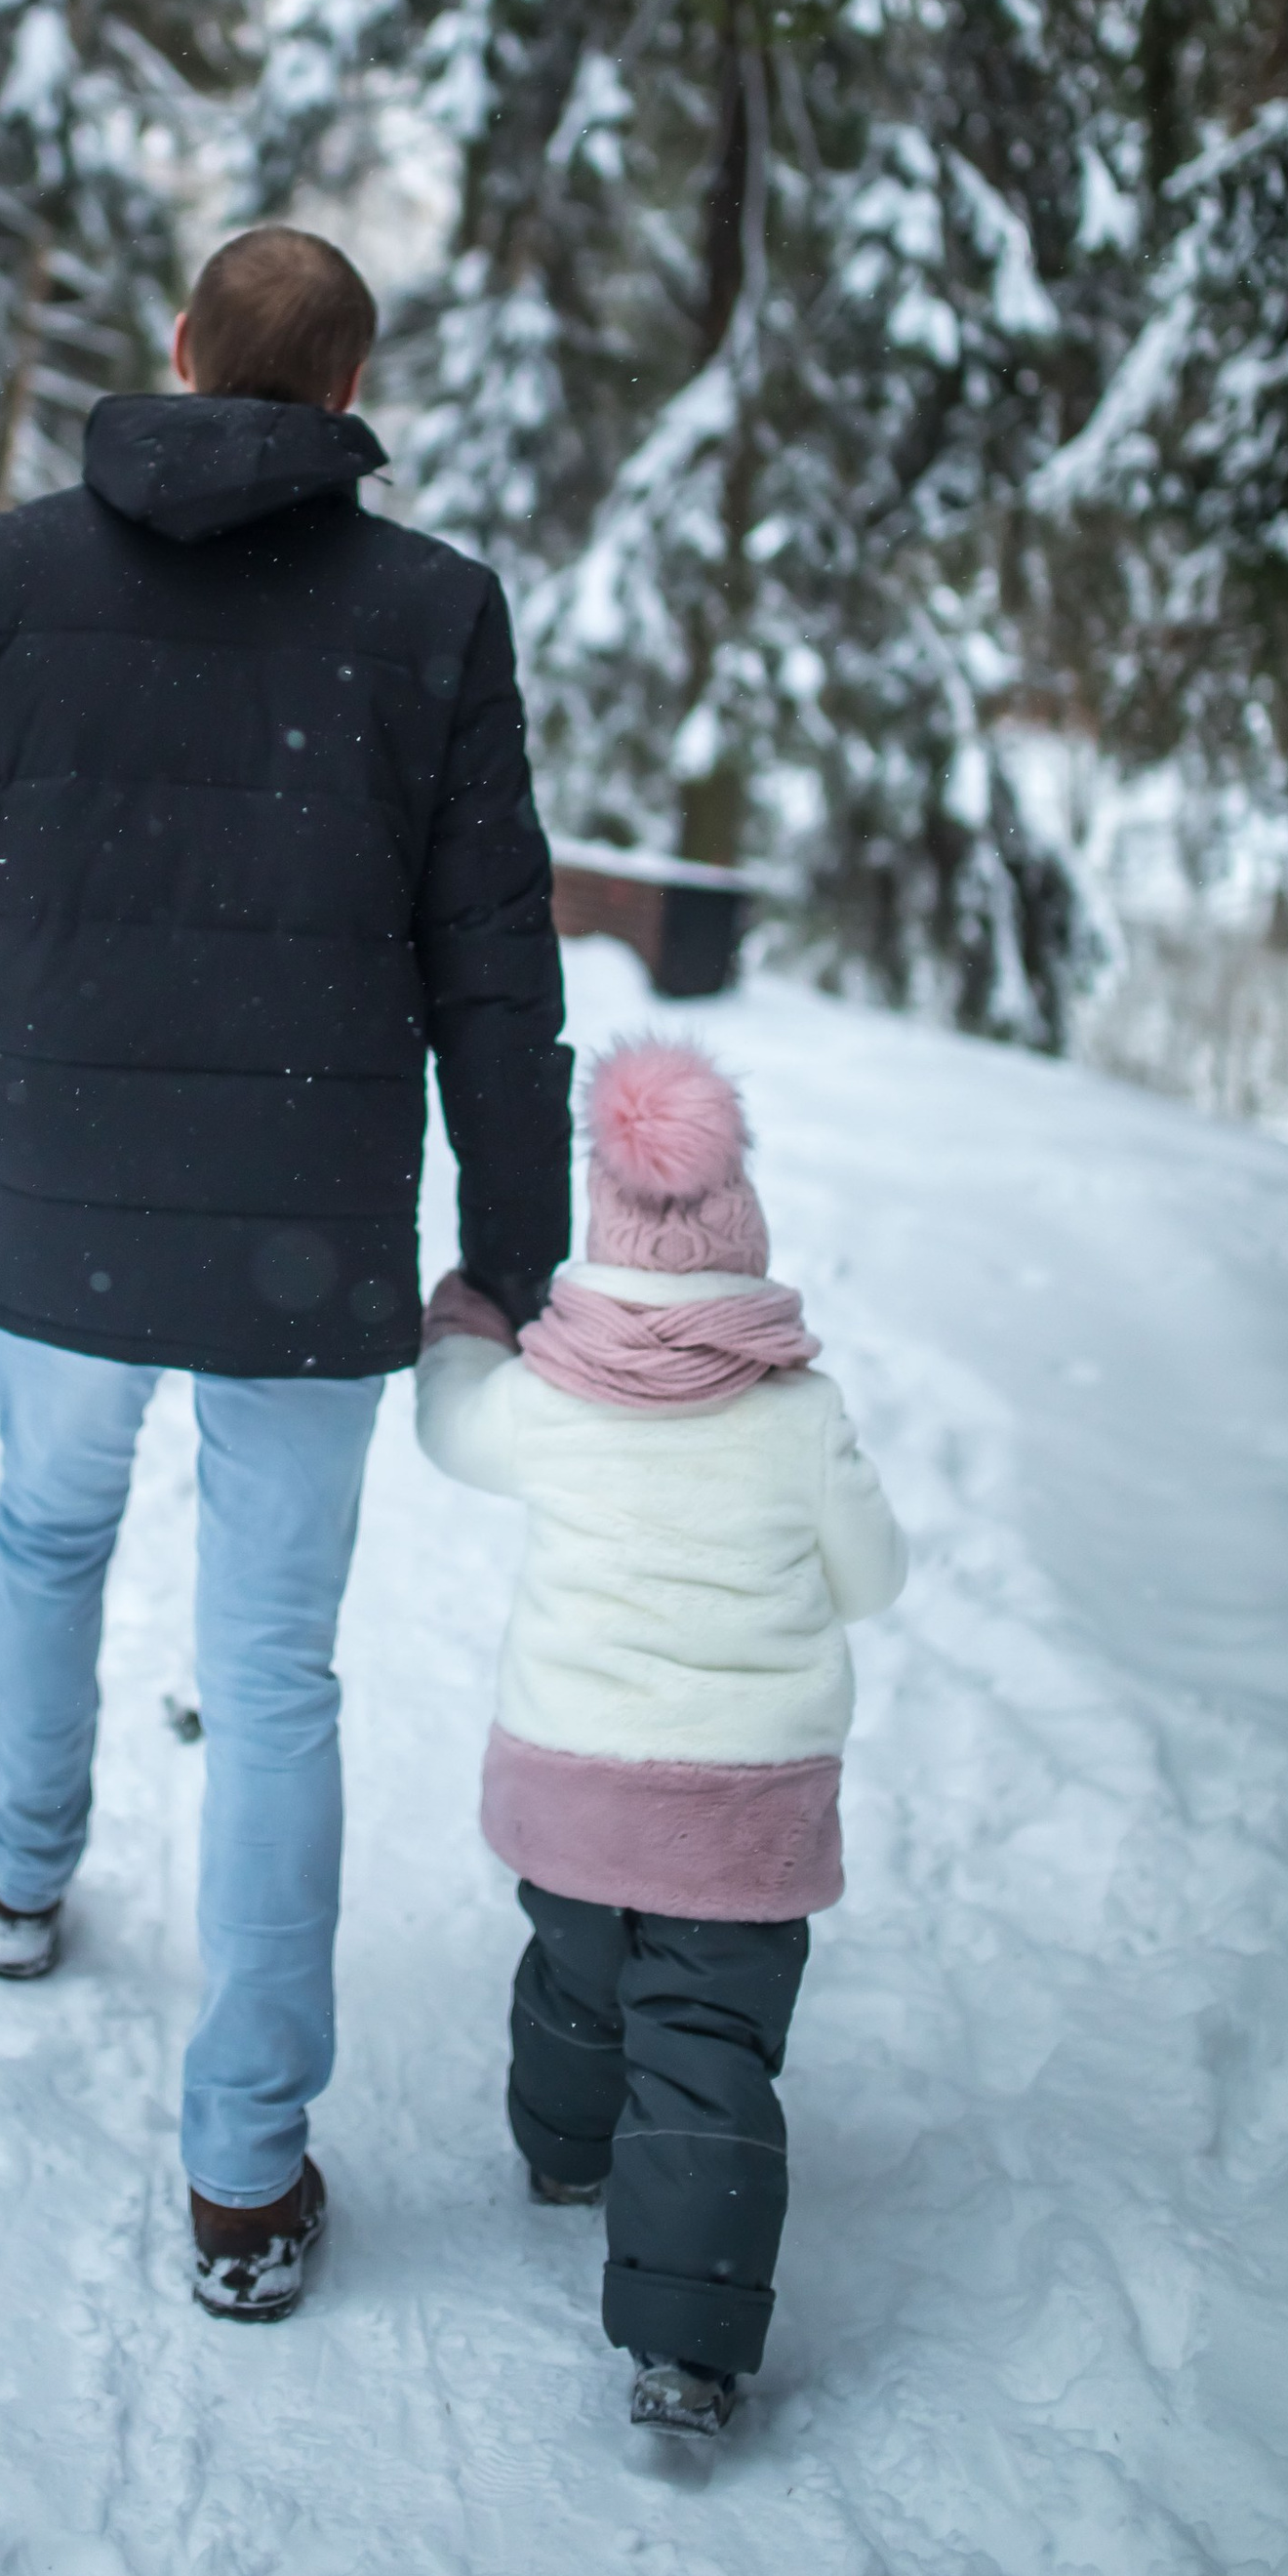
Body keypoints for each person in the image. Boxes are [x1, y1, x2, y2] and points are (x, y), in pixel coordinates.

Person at [0, 225, 572, 2320]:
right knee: (268, 1678)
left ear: (175, 353)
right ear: (345, 398)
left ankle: (21, 1870)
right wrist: (501, 1252)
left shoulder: (6, 580)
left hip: (51, 1205)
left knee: (46, 1529)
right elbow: (492, 965)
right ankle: (243, 2176)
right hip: (300, 1239)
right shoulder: (431, 612)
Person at [414, 1035, 905, 2433]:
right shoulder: (800, 1416)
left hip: (574, 1792)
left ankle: (567, 2155)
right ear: (743, 1260)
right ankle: (685, 2354)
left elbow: (450, 1430)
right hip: (743, 1808)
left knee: (579, 1979)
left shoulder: (551, 1398)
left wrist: (463, 1325)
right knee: (704, 2039)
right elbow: (873, 1582)